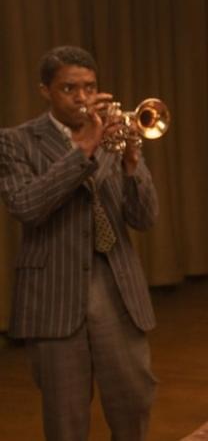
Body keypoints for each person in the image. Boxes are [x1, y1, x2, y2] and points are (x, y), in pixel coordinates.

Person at [0, 46, 159, 440]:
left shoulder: (115, 135)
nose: (83, 98)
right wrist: (83, 148)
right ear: (46, 91)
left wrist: (132, 161)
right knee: (66, 419)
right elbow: (26, 205)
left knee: (133, 403)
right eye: (69, 88)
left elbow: (145, 218)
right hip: (54, 293)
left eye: (89, 87)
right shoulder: (16, 142)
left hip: (117, 290)